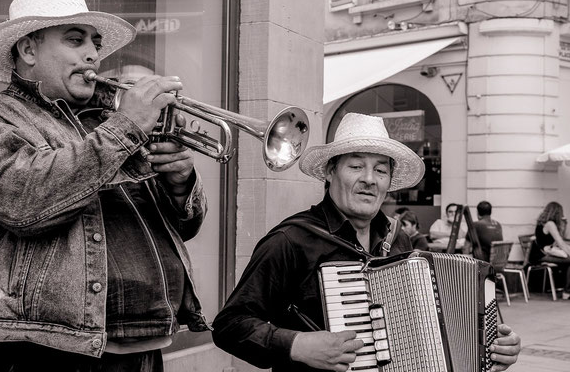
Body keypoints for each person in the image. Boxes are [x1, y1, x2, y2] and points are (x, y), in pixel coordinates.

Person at [0, 0, 208, 371]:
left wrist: (180, 182)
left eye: (95, 44)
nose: (93, 56)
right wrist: (125, 128)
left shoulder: (106, 125)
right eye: (75, 40)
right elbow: (25, 203)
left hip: (141, 344)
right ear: (28, 49)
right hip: (45, 350)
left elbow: (182, 227)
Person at [211, 113, 521, 372]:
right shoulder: (291, 240)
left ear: (389, 182)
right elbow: (230, 326)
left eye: (380, 170)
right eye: (356, 166)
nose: (369, 179)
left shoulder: (398, 238)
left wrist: (488, 348)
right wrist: (297, 345)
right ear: (331, 172)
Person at [529, 201, 570, 300]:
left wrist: (564, 226)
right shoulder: (550, 224)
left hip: (539, 253)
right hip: (540, 256)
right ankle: (567, 291)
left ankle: (567, 291)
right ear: (557, 213)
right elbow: (560, 242)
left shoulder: (542, 223)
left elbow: (559, 241)